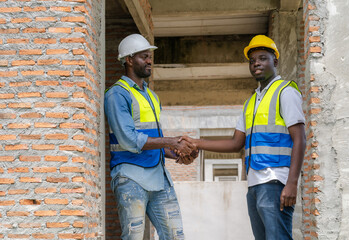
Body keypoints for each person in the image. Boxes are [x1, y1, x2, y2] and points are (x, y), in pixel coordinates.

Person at [180, 35, 306, 239]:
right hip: (255, 184)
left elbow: (300, 138)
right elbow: (235, 143)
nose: (256, 63)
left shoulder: (285, 92)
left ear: (275, 61)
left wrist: (292, 183)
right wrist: (196, 143)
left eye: (263, 58)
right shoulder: (251, 102)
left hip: (276, 181)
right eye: (252, 60)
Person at [104, 33, 197, 240]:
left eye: (149, 56)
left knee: (175, 236)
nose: (149, 61)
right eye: (143, 56)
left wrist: (177, 153)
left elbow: (154, 140)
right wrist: (171, 141)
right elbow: (129, 139)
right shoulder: (117, 94)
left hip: (158, 177)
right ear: (128, 60)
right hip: (130, 177)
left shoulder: (151, 96)